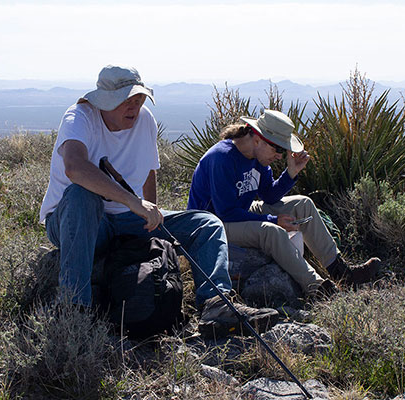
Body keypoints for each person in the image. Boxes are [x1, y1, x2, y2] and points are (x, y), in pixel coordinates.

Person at [39, 65, 277, 338]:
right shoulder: (79, 117)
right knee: (82, 195)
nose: (134, 107)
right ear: (105, 100)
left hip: (126, 218)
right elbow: (75, 168)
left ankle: (216, 304)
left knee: (207, 224)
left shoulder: (144, 120)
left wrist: (149, 216)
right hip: (75, 220)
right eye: (126, 100)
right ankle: (75, 308)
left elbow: (148, 171)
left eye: (138, 100)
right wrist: (134, 202)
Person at [187, 110, 380, 297]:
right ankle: (319, 289)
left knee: (302, 203)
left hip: (235, 212)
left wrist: (291, 173)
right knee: (270, 231)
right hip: (211, 225)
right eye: (277, 148)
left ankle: (343, 274)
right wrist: (272, 219)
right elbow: (226, 212)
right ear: (257, 139)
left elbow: (269, 196)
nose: (279, 155)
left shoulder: (256, 158)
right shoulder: (221, 159)